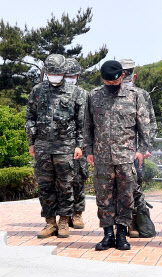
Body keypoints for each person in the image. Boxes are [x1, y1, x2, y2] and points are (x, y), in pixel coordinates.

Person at [85, 60, 152, 251]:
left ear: (122, 76)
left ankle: (122, 233)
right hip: (102, 157)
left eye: (114, 83)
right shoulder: (94, 96)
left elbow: (144, 126)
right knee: (103, 196)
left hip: (126, 157)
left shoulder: (135, 96)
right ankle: (107, 234)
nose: (111, 86)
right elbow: (87, 126)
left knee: (126, 196)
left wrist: (142, 150)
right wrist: (89, 151)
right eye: (107, 83)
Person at [25, 54, 86, 239]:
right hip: (43, 146)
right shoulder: (37, 90)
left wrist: (79, 145)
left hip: (66, 147)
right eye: (51, 72)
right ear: (46, 72)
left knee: (66, 185)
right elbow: (30, 117)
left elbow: (81, 122)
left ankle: (64, 221)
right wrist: (31, 142)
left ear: (63, 72)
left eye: (57, 72)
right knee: (45, 186)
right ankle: (50, 222)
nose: (54, 75)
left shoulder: (74, 92)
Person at [118, 59, 158, 238]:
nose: (125, 79)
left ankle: (134, 222)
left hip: (136, 153)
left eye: (128, 75)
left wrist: (145, 147)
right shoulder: (108, 93)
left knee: (135, 188)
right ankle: (121, 224)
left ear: (133, 76)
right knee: (117, 189)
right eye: (122, 75)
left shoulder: (142, 95)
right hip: (116, 151)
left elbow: (150, 123)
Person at [63, 57, 89, 230]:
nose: (70, 78)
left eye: (73, 76)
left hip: (81, 144)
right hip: (62, 144)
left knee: (79, 178)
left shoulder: (84, 94)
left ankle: (77, 213)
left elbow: (87, 122)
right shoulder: (56, 93)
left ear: (78, 76)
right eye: (67, 75)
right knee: (63, 180)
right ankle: (64, 214)